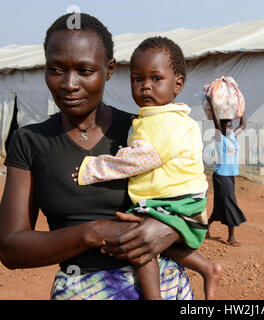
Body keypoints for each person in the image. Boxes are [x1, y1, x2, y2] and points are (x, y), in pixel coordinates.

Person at [0, 13, 194, 300]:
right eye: (56, 69)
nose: (69, 83)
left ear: (109, 69)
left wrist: (171, 230)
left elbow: (189, 196)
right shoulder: (30, 142)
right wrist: (94, 232)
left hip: (161, 286)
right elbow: (11, 248)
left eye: (85, 70)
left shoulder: (142, 133)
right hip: (82, 291)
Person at [72, 36, 223, 300]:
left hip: (176, 201)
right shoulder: (162, 117)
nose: (145, 87)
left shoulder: (164, 122)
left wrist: (93, 168)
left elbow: (139, 159)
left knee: (139, 245)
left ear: (178, 84)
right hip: (184, 200)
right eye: (137, 79)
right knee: (156, 242)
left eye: (156, 79)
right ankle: (207, 267)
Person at [206, 94, 247, 246]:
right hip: (221, 176)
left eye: (231, 125)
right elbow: (217, 123)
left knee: (220, 205)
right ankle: (231, 236)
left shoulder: (233, 138)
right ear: (221, 129)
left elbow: (243, 125)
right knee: (230, 203)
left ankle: (206, 226)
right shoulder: (220, 138)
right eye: (227, 126)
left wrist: (241, 107)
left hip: (229, 176)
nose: (230, 128)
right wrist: (211, 102)